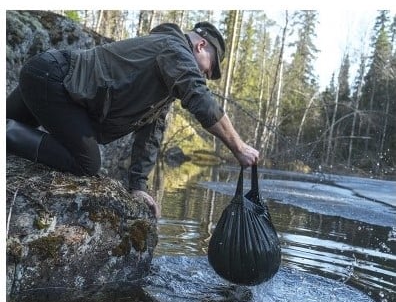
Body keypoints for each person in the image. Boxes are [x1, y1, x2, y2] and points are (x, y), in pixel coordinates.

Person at [6, 21, 259, 218]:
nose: (203, 75)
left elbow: (151, 134)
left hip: (46, 79)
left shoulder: (166, 80)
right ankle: (8, 132)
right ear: (201, 46)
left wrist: (138, 186)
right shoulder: (174, 49)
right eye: (207, 68)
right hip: (51, 79)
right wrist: (239, 146)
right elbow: (200, 98)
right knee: (87, 164)